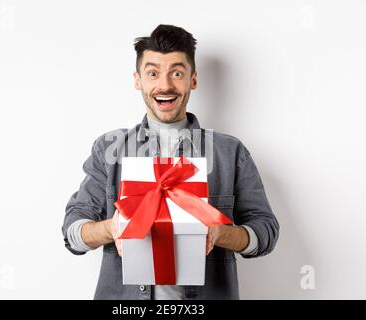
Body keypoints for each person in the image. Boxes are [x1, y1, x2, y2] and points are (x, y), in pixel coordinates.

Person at [62, 24, 279, 300]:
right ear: (138, 80)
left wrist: (220, 233)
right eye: (153, 73)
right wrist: (110, 228)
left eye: (177, 73)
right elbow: (72, 233)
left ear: (193, 80)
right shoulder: (108, 149)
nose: (165, 85)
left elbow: (266, 233)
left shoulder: (229, 152)